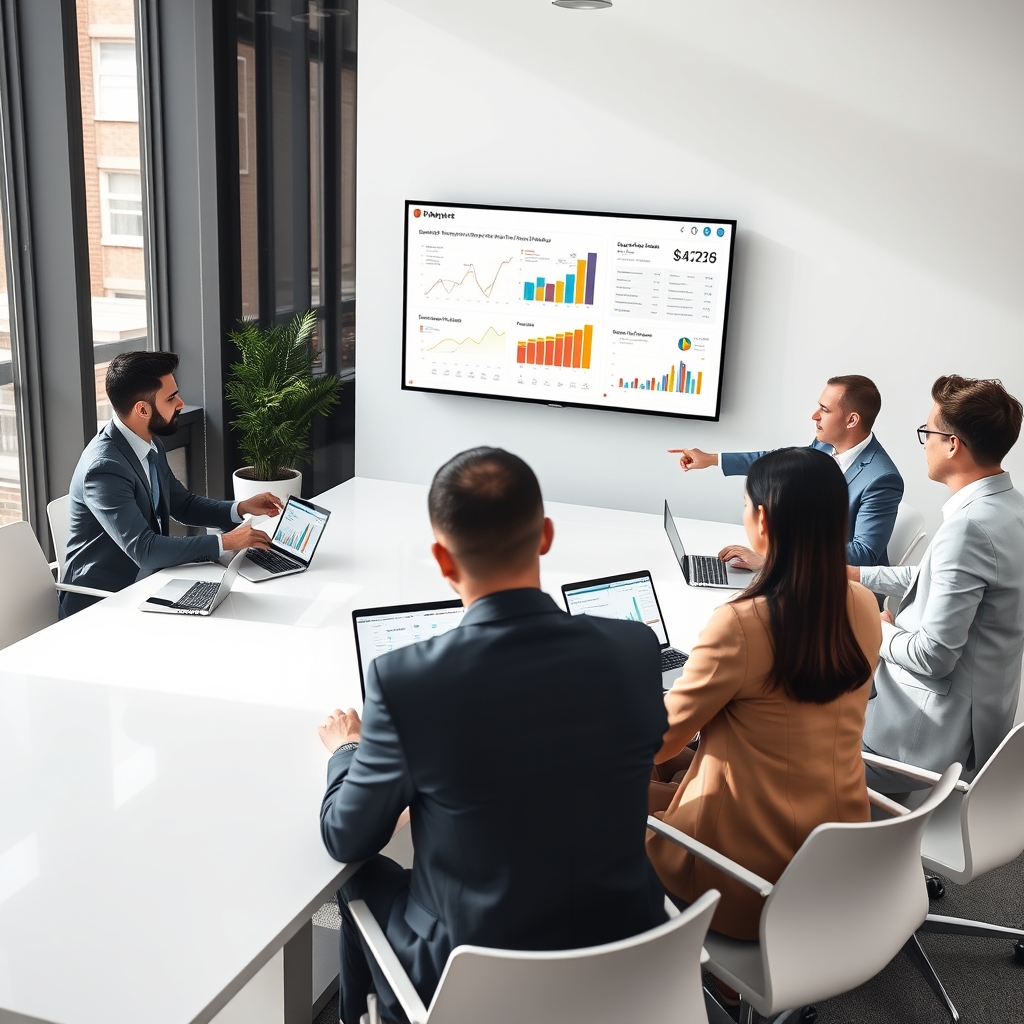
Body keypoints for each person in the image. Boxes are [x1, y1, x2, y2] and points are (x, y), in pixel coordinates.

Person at [318, 448, 669, 1024]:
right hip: (627, 953)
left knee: (362, 876)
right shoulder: (633, 648)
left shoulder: (404, 681)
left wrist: (347, 751)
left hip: (472, 980)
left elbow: (345, 837)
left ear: (441, 558)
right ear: (546, 536)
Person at [646, 447, 881, 941]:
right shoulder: (861, 603)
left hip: (742, 875)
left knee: (603, 785)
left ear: (762, 520)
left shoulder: (740, 624)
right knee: (676, 766)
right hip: (835, 853)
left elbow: (658, 741)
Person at [855, 375, 1024, 793]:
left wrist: (876, 627)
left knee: (778, 732)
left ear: (952, 444)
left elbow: (933, 657)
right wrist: (854, 574)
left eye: (927, 432)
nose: (924, 442)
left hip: (918, 741)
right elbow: (936, 578)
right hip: (977, 724)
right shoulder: (1009, 509)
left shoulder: (968, 527)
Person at [60, 351, 280, 616]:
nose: (180, 403)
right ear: (142, 409)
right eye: (171, 397)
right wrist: (225, 542)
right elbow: (145, 549)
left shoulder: (149, 443)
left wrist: (241, 507)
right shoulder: (105, 468)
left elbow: (183, 505)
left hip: (147, 583)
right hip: (103, 603)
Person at [669, 374, 903, 568]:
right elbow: (779, 462)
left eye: (825, 409)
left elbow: (863, 555)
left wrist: (775, 557)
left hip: (848, 592)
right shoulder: (823, 445)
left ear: (852, 420)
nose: (814, 415)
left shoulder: (881, 479)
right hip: (805, 574)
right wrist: (711, 459)